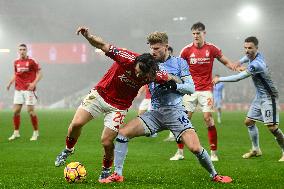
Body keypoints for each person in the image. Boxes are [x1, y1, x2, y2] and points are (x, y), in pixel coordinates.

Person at [102, 31, 232, 184]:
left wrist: (174, 84)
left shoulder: (179, 63)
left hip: (176, 113)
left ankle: (215, 175)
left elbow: (190, 88)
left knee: (195, 148)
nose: (153, 51)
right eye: (151, 48)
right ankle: (117, 174)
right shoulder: (149, 64)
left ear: (166, 47)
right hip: (155, 114)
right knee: (122, 134)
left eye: (157, 48)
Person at [54, 26, 175, 182]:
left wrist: (184, 86)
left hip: (119, 107)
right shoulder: (127, 57)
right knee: (76, 124)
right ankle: (68, 149)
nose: (138, 75)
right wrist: (88, 36)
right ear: (135, 62)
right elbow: (102, 45)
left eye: (141, 74)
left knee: (106, 141)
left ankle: (106, 169)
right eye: (137, 71)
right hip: (100, 95)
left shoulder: (156, 74)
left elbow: (173, 80)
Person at [170, 22, 239, 161]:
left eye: (198, 33)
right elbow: (177, 66)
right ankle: (180, 152)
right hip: (190, 90)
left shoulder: (212, 48)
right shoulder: (186, 50)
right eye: (194, 33)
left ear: (204, 33)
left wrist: (234, 66)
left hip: (206, 89)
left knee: (208, 118)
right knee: (183, 120)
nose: (196, 36)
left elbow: (224, 60)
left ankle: (213, 153)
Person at [213, 36, 284, 162]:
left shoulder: (257, 64)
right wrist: (238, 63)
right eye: (245, 48)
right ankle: (256, 149)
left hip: (269, 96)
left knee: (272, 128)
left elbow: (238, 78)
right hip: (259, 96)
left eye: (250, 48)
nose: (247, 50)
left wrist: (219, 79)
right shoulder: (255, 56)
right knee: (249, 122)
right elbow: (246, 57)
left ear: (257, 48)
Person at [6, 44, 42, 141]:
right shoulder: (16, 62)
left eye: (24, 49)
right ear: (18, 51)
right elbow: (16, 74)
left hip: (29, 90)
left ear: (27, 51)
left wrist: (34, 83)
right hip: (18, 89)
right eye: (20, 50)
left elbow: (40, 73)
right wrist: (10, 83)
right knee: (16, 111)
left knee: (30, 111)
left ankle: (36, 132)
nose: (22, 51)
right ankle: (16, 132)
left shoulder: (32, 61)